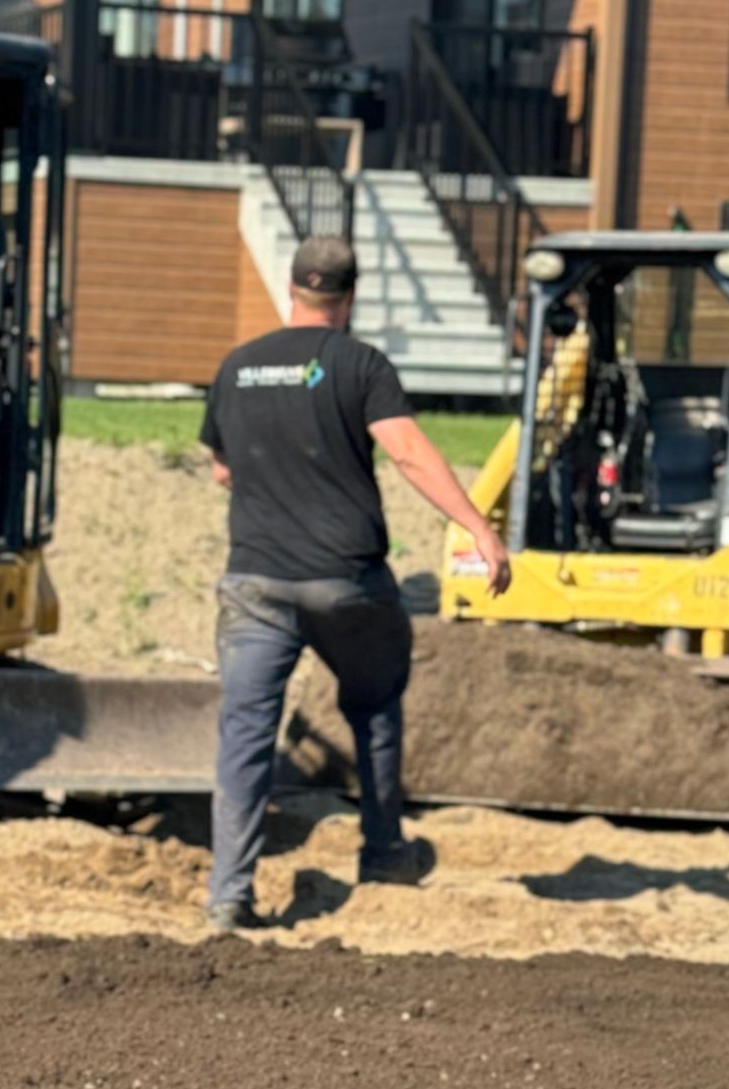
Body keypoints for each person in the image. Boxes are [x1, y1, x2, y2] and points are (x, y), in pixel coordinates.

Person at [200, 233, 513, 931]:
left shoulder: (238, 365)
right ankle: (380, 852)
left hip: (254, 580)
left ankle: (229, 893)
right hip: (346, 581)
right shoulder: (360, 364)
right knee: (373, 707)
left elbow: (223, 468)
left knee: (246, 735)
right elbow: (405, 451)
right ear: (350, 296)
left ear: (292, 289)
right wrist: (477, 527)